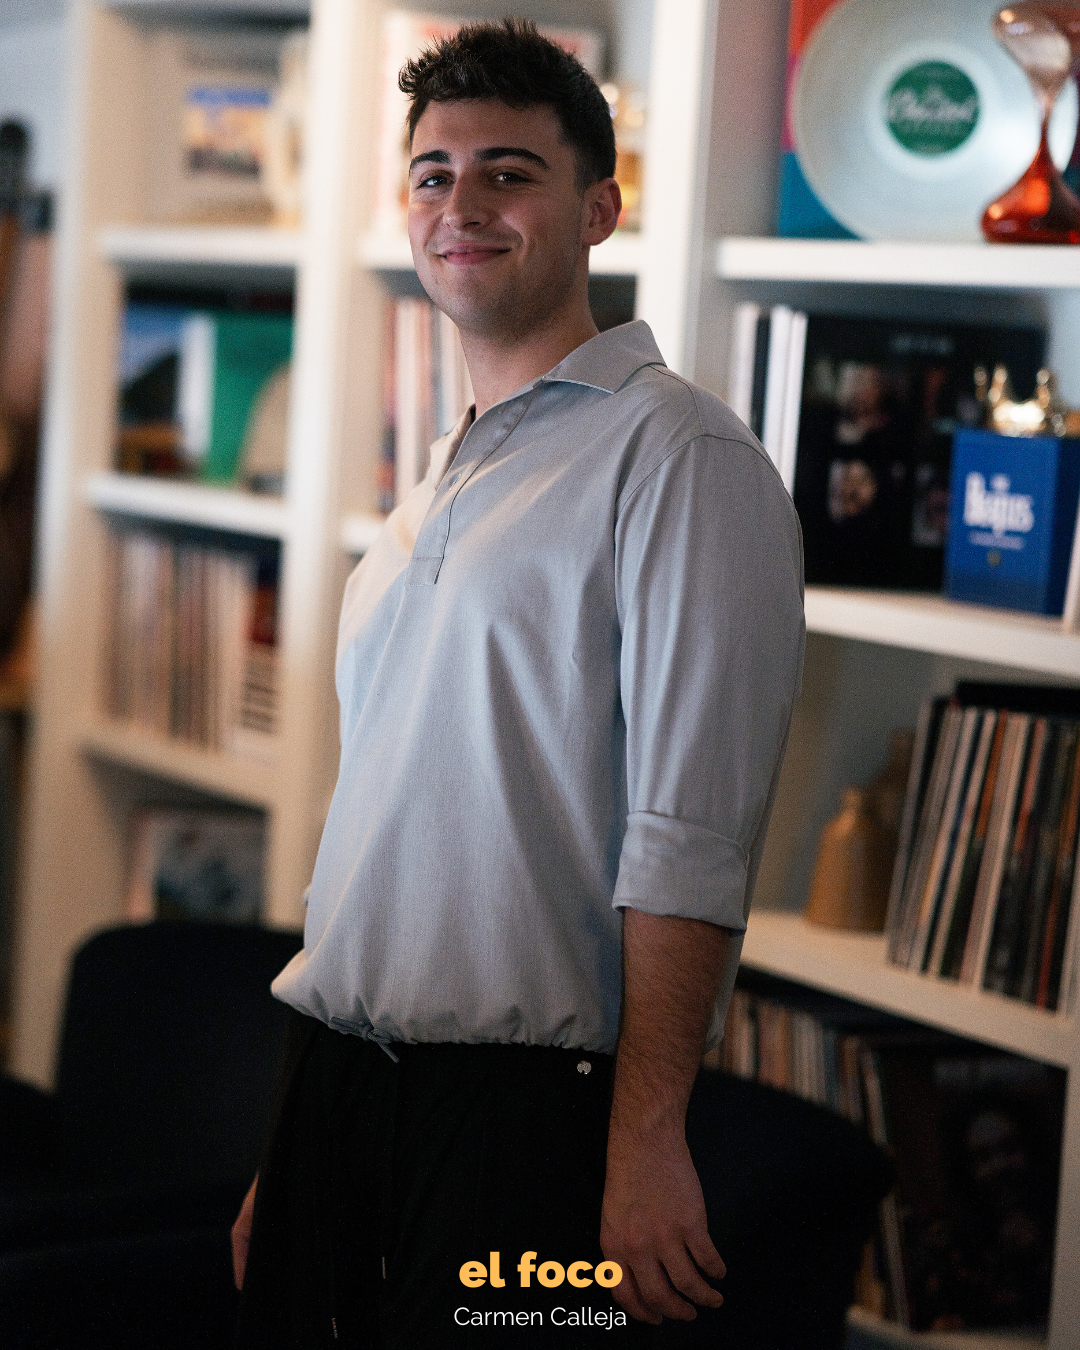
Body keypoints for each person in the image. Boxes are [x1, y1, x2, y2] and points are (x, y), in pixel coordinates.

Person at [233, 19, 804, 1348]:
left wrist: (647, 1135)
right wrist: (290, 1146)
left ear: (600, 208)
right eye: (433, 175)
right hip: (338, 1087)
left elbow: (689, 833)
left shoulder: (682, 458)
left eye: (510, 172)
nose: (462, 205)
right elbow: (371, 822)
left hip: (527, 1118)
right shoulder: (439, 471)